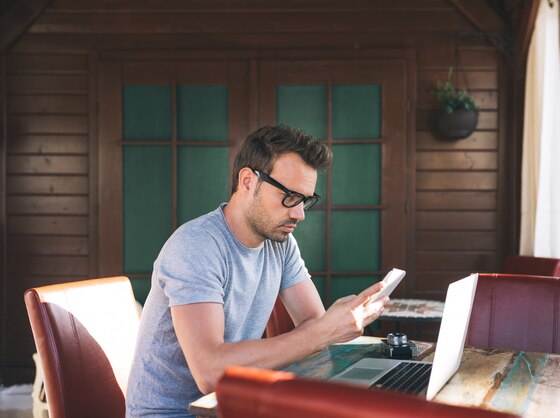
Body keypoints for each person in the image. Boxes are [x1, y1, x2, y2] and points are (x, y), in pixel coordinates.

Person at [126, 125, 388, 417]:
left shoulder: (281, 243)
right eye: (290, 196)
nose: (299, 213)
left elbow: (313, 323)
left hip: (234, 406)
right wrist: (323, 331)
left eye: (306, 200)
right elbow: (210, 372)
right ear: (248, 181)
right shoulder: (196, 246)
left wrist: (333, 326)